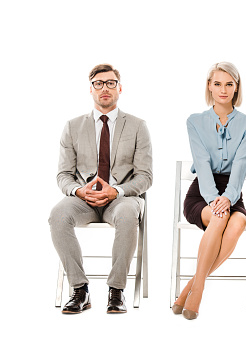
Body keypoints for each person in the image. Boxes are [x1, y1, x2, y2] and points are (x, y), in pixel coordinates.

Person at [48, 64, 153, 314]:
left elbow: (145, 176)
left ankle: (116, 291)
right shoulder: (72, 127)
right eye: (98, 83)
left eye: (110, 82)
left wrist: (116, 191)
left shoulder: (138, 126)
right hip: (84, 198)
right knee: (58, 215)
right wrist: (78, 191)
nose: (104, 88)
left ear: (119, 88)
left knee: (128, 214)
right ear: (91, 89)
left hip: (122, 199)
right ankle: (79, 289)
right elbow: (63, 175)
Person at [172, 62, 246, 320]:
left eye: (229, 84)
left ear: (236, 88)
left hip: (233, 193)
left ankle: (191, 286)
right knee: (219, 218)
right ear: (209, 86)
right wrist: (214, 199)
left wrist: (229, 198)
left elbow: (241, 166)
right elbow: (202, 162)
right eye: (217, 83)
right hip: (202, 193)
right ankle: (196, 294)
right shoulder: (195, 121)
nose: (223, 89)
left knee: (237, 223)